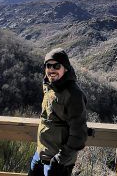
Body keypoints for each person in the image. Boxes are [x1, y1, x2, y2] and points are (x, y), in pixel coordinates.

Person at [28, 48, 88, 176]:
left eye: (56, 66)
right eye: (48, 65)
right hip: (40, 154)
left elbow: (79, 134)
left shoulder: (74, 94)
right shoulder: (49, 86)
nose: (51, 69)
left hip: (57, 162)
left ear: (65, 68)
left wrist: (59, 160)